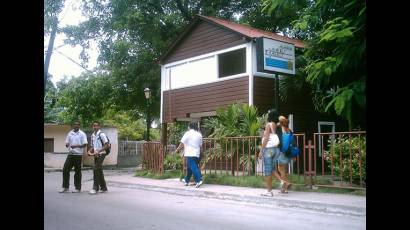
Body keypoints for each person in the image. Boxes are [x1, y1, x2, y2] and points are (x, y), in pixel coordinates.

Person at [258, 109, 285, 196]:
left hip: (269, 150)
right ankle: (282, 181)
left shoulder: (268, 125)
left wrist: (261, 150)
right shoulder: (277, 125)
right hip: (276, 150)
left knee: (267, 170)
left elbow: (266, 139)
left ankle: (269, 191)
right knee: (272, 169)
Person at [59, 121, 88, 193]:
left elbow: (85, 144)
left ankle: (77, 188)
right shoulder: (70, 133)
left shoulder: (82, 134)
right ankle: (65, 187)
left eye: (77, 124)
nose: (76, 125)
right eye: (75, 124)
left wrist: (76, 146)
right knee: (65, 169)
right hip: (70, 154)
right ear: (73, 125)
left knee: (77, 172)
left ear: (79, 126)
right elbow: (67, 143)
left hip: (78, 155)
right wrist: (67, 144)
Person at [175, 122, 203, 188]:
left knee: (193, 166)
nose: (188, 128)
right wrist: (202, 153)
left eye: (188, 126)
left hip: (190, 153)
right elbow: (201, 145)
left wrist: (177, 150)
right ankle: (186, 180)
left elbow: (182, 143)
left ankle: (199, 180)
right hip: (197, 153)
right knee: (190, 167)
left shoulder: (187, 133)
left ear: (190, 127)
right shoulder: (199, 134)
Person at [88, 122, 110, 194]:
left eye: (96, 125)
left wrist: (99, 151)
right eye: (94, 125)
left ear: (99, 126)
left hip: (102, 154)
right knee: (99, 170)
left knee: (95, 169)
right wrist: (89, 151)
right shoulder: (92, 135)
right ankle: (104, 188)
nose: (95, 127)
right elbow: (92, 146)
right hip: (96, 155)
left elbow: (107, 145)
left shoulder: (102, 134)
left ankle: (95, 188)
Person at [277, 116, 293, 194]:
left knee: (281, 170)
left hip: (281, 152)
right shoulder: (289, 130)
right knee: (283, 170)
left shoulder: (280, 129)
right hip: (288, 152)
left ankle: (285, 187)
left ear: (280, 122)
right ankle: (285, 186)